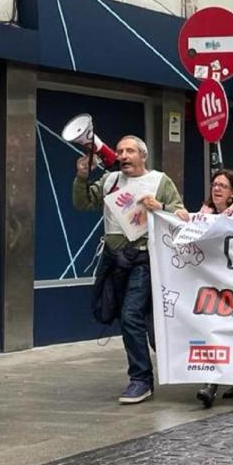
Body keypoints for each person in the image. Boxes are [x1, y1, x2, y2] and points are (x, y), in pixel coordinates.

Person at [73, 135, 184, 404]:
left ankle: (140, 379)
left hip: (143, 259)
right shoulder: (110, 181)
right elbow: (83, 203)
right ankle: (147, 370)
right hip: (113, 260)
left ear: (142, 156)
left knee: (131, 313)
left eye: (130, 151)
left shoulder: (159, 181)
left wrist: (161, 207)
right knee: (120, 315)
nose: (123, 155)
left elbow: (181, 215)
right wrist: (81, 177)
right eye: (120, 150)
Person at [177, 170, 233, 408]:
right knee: (213, 331)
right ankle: (211, 384)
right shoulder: (202, 215)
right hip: (210, 287)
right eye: (214, 185)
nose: (217, 189)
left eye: (223, 186)